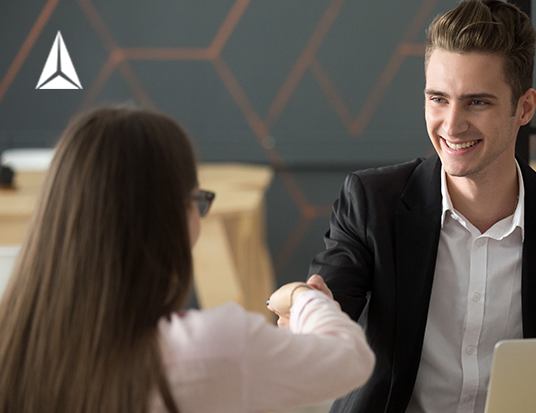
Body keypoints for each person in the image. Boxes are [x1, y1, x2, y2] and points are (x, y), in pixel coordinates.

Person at [298, 0, 536, 413]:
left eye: (477, 102)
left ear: (525, 107)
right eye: (438, 99)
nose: (452, 124)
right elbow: (325, 297)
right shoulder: (373, 203)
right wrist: (304, 304)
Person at [0, 107, 374, 413]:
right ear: (173, 217)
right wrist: (301, 297)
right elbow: (350, 358)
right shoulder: (216, 346)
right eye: (198, 201)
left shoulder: (14, 347)